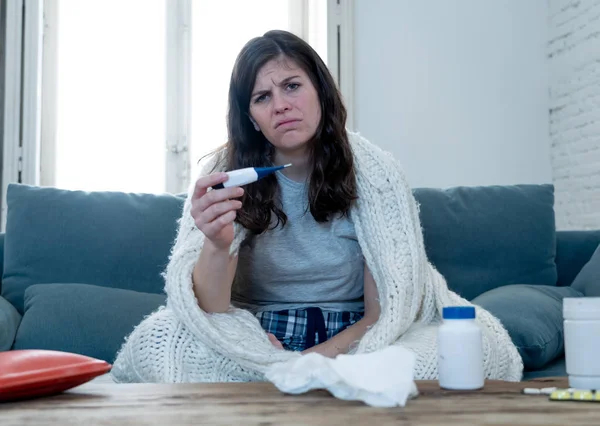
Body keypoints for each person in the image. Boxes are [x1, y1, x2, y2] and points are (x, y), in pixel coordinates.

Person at [111, 30, 523, 383]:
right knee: (157, 340)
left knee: (463, 348)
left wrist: (309, 364)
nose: (280, 105)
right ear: (252, 117)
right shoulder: (223, 174)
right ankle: (312, 385)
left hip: (360, 334)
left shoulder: (375, 170)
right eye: (262, 97)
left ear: (320, 92)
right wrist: (216, 246)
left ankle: (294, 385)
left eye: (292, 86)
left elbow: (386, 315)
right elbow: (210, 309)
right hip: (256, 333)